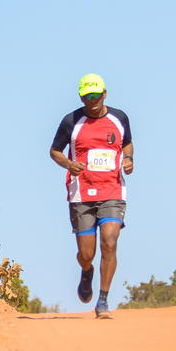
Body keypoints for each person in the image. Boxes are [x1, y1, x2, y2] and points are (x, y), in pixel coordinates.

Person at [50, 74, 134, 318]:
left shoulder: (119, 118)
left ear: (105, 93)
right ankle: (86, 272)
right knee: (87, 254)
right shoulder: (71, 121)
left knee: (110, 240)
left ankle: (103, 301)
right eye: (88, 96)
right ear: (81, 97)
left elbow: (127, 143)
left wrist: (128, 159)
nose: (93, 99)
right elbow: (54, 150)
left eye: (96, 95)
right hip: (81, 194)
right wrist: (68, 163)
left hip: (112, 191)